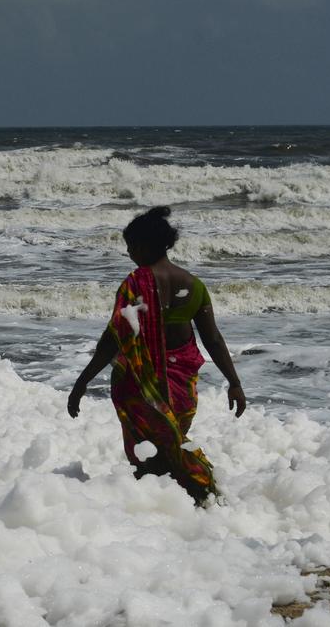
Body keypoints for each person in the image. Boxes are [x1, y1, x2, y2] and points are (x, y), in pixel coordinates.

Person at [67, 206, 245, 504]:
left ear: (144, 246)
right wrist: (234, 382)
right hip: (181, 380)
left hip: (137, 382)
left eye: (131, 247)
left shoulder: (135, 284)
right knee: (173, 439)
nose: (129, 253)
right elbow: (212, 338)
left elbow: (113, 339)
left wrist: (82, 382)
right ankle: (194, 500)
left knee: (148, 448)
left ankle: (159, 504)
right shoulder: (194, 285)